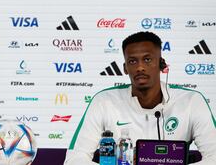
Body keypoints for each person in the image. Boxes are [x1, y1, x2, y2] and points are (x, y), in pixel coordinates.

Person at [64, 31, 216, 164]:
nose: (140, 67)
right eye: (132, 61)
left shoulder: (191, 101)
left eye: (147, 59)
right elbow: (75, 159)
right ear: (125, 68)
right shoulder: (104, 101)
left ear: (161, 64)